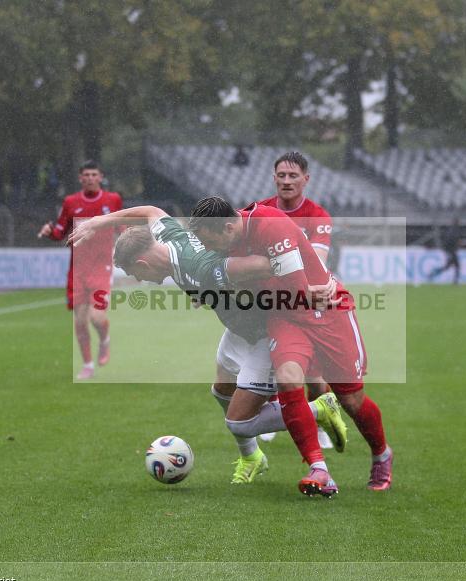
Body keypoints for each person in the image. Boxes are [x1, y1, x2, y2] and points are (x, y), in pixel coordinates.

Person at [68, 205, 348, 486]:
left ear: (142, 264)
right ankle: (252, 458)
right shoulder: (168, 235)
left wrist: (305, 290)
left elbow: (264, 263)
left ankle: (320, 408)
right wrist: (98, 222)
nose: (140, 280)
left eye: (136, 275)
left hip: (262, 334)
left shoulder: (200, 268)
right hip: (237, 329)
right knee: (221, 391)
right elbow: (151, 211)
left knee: (240, 422)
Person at [190, 197, 393, 496]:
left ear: (229, 226)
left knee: (351, 399)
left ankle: (381, 455)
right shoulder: (229, 236)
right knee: (288, 378)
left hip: (326, 310)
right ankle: (319, 469)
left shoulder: (269, 226)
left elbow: (300, 293)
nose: (211, 250)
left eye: (212, 242)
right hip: (286, 317)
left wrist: (229, 288)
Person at [248, 151, 334, 448]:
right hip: (269, 299)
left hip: (306, 299)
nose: (286, 181)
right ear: (274, 178)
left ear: (305, 179)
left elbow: (317, 261)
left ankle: (321, 423)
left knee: (314, 373)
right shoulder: (259, 211)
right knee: (270, 361)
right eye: (281, 176)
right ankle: (270, 413)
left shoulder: (318, 216)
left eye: (293, 176)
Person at [38, 160, 122, 379]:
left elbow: (122, 226)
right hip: (77, 270)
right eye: (87, 174)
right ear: (80, 178)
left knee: (96, 317)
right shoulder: (71, 202)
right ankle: (88, 365)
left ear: (101, 177)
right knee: (80, 321)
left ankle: (104, 340)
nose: (91, 178)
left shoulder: (112, 200)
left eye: (94, 174)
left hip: (101, 267)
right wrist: (49, 232)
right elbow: (59, 232)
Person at [428, 218, 462, 284]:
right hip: (452, 251)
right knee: (453, 266)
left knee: (450, 266)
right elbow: (452, 241)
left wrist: (447, 249)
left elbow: (447, 241)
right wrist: (454, 247)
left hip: (450, 251)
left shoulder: (450, 230)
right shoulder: (454, 231)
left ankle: (455, 281)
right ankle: (432, 274)